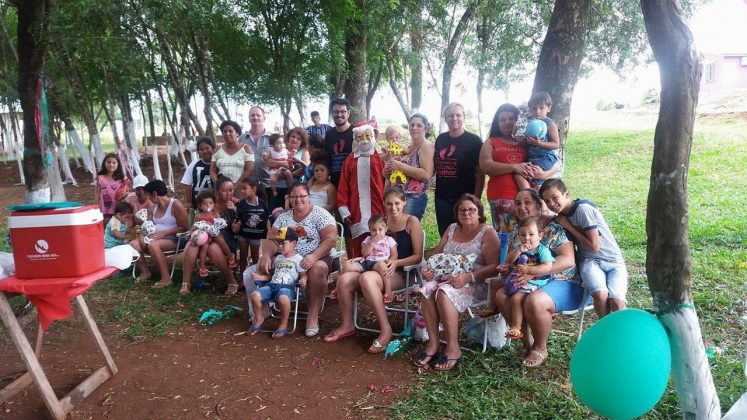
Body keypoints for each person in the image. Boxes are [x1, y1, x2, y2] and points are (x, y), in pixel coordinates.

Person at [325, 187, 424, 354]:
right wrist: (363, 258)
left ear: (404, 202)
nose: (393, 207)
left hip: (402, 271)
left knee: (367, 278)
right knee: (344, 279)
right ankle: (347, 324)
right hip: (375, 267)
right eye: (389, 204)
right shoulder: (381, 223)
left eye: (397, 203)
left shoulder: (412, 221)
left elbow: (418, 257)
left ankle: (386, 330)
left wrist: (396, 262)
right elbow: (372, 247)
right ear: (384, 204)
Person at [492, 188, 581, 368]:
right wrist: (509, 268)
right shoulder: (518, 231)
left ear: (539, 206)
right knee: (501, 295)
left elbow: (568, 260)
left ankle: (540, 347)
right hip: (529, 280)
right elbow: (514, 258)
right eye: (518, 203)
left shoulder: (554, 229)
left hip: (563, 280)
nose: (522, 207)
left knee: (535, 301)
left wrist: (533, 272)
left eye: (528, 202)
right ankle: (527, 342)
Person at [415, 194, 499, 371]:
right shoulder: (452, 229)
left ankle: (453, 347)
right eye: (462, 210)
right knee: (427, 288)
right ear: (457, 213)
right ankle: (433, 343)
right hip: (446, 279)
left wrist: (469, 277)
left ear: (479, 212)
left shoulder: (487, 232)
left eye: (471, 210)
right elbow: (437, 254)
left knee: (444, 292)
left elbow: (494, 268)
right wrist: (429, 269)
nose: (466, 213)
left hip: (476, 283)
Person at [243, 182, 337, 337]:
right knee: (256, 269)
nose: (298, 199)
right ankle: (262, 310)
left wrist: (313, 256)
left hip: (315, 257)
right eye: (294, 196)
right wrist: (266, 256)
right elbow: (271, 240)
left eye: (302, 196)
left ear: (309, 196)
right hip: (285, 259)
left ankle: (313, 315)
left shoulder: (320, 214)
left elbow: (330, 239)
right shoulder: (284, 218)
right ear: (289, 198)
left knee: (318, 268)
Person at [539, 178, 628, 317]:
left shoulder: (583, 209)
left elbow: (595, 246)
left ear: (567, 194)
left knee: (616, 302)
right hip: (589, 261)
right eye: (547, 201)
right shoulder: (561, 215)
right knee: (600, 294)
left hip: (613, 260)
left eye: (554, 197)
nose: (552, 203)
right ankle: (605, 328)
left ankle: (623, 329)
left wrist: (569, 226)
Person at [180, 176, 242, 295]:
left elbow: (242, 227)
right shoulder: (206, 204)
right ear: (216, 191)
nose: (228, 194)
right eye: (224, 191)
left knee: (213, 248)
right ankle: (186, 282)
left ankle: (231, 281)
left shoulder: (236, 205)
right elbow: (195, 224)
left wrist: (236, 229)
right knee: (192, 244)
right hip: (205, 236)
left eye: (231, 190)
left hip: (225, 239)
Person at [479, 104, 534, 233]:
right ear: (497, 123)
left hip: (529, 198)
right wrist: (515, 167)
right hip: (501, 197)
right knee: (505, 237)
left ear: (518, 120)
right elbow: (486, 166)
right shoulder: (491, 141)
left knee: (528, 235)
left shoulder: (527, 142)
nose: (507, 122)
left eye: (511, 118)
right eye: (502, 120)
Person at [433, 103, 484, 236]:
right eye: (450, 115)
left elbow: (481, 172)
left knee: (467, 232)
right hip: (442, 196)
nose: (454, 118)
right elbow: (434, 165)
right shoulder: (441, 139)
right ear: (445, 118)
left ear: (464, 117)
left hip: (465, 196)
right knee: (445, 233)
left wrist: (476, 197)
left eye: (458, 115)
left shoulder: (474, 141)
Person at [501, 217, 555, 340]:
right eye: (523, 235)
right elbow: (509, 260)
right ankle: (492, 308)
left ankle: (516, 327)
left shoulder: (542, 250)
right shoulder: (520, 248)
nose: (527, 238)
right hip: (518, 278)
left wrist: (529, 271)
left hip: (535, 281)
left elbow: (547, 267)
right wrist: (518, 251)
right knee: (497, 285)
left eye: (531, 234)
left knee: (516, 298)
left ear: (540, 235)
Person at [248, 227, 307, 339]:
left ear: (293, 243)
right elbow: (272, 276)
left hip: (287, 288)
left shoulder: (298, 259)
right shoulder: (278, 258)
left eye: (283, 243)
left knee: (283, 298)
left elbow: (303, 274)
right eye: (278, 243)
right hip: (271, 286)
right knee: (255, 295)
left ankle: (283, 324)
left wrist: (303, 279)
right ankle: (259, 318)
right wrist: (261, 277)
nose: (280, 246)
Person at [337, 123, 385, 257]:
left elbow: (388, 183)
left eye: (367, 136)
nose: (364, 140)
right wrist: (343, 207)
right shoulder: (350, 160)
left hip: (378, 207)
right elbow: (343, 185)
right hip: (356, 210)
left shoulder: (380, 157)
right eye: (360, 137)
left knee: (381, 244)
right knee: (359, 245)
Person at [130, 180, 189, 288]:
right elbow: (147, 225)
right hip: (154, 237)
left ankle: (166, 279)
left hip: (175, 238)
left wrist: (163, 233)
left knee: (153, 245)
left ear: (154, 194)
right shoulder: (153, 208)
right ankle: (145, 272)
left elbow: (184, 227)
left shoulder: (175, 205)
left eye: (149, 195)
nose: (148, 198)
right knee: (134, 244)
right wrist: (142, 235)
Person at [382, 113, 434, 220]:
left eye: (419, 125)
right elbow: (396, 170)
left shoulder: (426, 147)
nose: (414, 128)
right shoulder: (408, 148)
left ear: (425, 128)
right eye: (412, 125)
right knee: (396, 228)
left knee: (408, 228)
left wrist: (400, 166)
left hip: (413, 197)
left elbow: (426, 174)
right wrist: (387, 172)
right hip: (398, 197)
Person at [342, 215, 398, 303]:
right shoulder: (368, 239)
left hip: (380, 263)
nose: (377, 233)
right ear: (370, 230)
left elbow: (394, 254)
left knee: (382, 265)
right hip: (367, 262)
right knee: (348, 265)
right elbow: (364, 253)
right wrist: (372, 243)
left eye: (380, 229)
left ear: (386, 229)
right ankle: (340, 286)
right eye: (374, 230)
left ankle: (388, 291)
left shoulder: (389, 240)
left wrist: (391, 261)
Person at [514, 92, 560, 189]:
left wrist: (539, 143)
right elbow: (529, 143)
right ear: (530, 109)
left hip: (545, 157)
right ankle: (528, 193)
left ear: (549, 108)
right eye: (534, 108)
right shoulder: (531, 124)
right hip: (533, 158)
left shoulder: (549, 124)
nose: (537, 111)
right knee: (519, 174)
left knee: (535, 177)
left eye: (541, 108)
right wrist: (522, 141)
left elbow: (556, 144)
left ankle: (538, 193)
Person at [190, 191, 237, 277]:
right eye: (205, 204)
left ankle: (231, 258)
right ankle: (202, 267)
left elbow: (220, 224)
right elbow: (195, 225)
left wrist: (217, 223)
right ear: (200, 205)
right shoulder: (199, 215)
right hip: (204, 236)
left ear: (214, 204)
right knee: (205, 246)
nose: (208, 206)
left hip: (214, 233)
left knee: (220, 239)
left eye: (210, 203)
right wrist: (193, 231)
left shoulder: (215, 214)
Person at [236, 176, 270, 274]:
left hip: (256, 236)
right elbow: (238, 218)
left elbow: (266, 219)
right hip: (243, 235)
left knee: (255, 258)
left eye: (245, 188)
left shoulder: (263, 203)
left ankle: (256, 277)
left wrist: (265, 232)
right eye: (241, 188)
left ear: (254, 189)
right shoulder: (241, 204)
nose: (242, 191)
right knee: (243, 257)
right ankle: (243, 278)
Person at [211, 120, 255, 188]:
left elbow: (249, 170)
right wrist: (218, 185)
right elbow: (212, 170)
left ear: (237, 133)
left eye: (230, 131)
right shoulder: (217, 149)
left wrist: (234, 187)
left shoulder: (246, 148)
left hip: (241, 189)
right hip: (221, 190)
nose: (227, 133)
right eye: (224, 131)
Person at [239, 106, 273, 192]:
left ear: (264, 118)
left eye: (258, 115)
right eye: (252, 115)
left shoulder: (273, 138)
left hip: (270, 185)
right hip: (248, 187)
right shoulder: (242, 139)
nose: (255, 117)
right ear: (249, 118)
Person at [324, 98, 354, 188]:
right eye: (336, 112)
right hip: (335, 184)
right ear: (332, 113)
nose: (339, 115)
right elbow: (327, 159)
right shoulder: (329, 134)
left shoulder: (356, 133)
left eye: (343, 111)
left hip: (353, 182)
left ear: (348, 113)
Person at [95, 153, 129, 224]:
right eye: (108, 162)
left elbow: (127, 192)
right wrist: (96, 207)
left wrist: (126, 195)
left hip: (119, 208)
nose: (111, 164)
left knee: (118, 226)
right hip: (105, 209)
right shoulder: (100, 178)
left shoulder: (123, 179)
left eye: (114, 163)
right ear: (104, 163)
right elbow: (97, 194)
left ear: (118, 164)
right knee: (106, 225)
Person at [181, 136, 215, 208]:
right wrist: (188, 201)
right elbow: (187, 183)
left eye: (207, 148)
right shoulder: (194, 164)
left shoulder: (218, 164)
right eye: (201, 149)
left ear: (213, 148)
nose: (205, 151)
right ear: (198, 151)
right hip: (197, 202)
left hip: (214, 203)